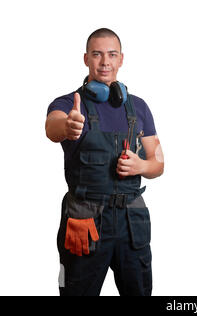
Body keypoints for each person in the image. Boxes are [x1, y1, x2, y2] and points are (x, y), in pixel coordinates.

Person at [45, 28, 164, 296]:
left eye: (111, 55)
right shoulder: (69, 103)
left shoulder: (138, 107)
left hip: (132, 223)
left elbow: (158, 161)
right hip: (85, 221)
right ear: (86, 59)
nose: (105, 62)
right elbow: (52, 127)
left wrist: (141, 166)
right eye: (97, 54)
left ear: (121, 59)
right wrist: (68, 125)